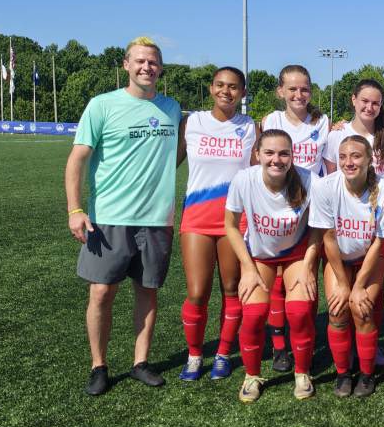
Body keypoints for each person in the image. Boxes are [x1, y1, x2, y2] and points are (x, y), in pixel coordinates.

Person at [65, 37, 181, 396]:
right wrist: (75, 209)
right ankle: (98, 366)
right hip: (109, 219)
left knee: (148, 291)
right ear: (126, 65)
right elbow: (77, 160)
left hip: (156, 219)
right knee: (101, 293)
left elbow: (176, 153)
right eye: (141, 61)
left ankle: (140, 362)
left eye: (154, 62)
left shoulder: (173, 108)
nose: (147, 67)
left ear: (160, 69)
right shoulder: (102, 105)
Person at [224, 130, 320, 403]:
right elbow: (230, 226)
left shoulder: (309, 180)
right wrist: (248, 268)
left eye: (283, 153)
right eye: (269, 153)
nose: (276, 159)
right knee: (254, 314)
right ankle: (251, 376)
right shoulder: (244, 179)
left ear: (292, 156)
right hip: (259, 255)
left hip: (296, 253)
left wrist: (307, 266)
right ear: (257, 154)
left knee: (299, 312)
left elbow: (317, 227)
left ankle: (302, 373)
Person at [176, 66, 258, 382]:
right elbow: (167, 163)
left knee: (231, 289)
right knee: (197, 292)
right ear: (211, 88)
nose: (226, 91)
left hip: (235, 222)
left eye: (234, 87)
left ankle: (223, 353)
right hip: (196, 218)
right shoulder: (192, 123)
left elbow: (258, 171)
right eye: (220, 85)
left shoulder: (250, 126)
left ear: (243, 93)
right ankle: (195, 355)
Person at [310, 135, 384, 398]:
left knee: (363, 310)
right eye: (343, 156)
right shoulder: (326, 187)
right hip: (338, 259)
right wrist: (344, 284)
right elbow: (328, 238)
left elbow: (380, 243)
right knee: (337, 311)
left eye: (356, 156)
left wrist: (358, 286)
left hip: (370, 257)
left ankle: (367, 375)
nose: (349, 162)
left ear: (370, 160)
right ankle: (343, 374)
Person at [261, 64, 331, 373]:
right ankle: (279, 346)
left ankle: (305, 337)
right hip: (275, 210)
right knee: (277, 280)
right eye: (292, 89)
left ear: (311, 91)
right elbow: (260, 163)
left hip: (309, 212)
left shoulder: (323, 122)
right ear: (280, 92)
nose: (298, 94)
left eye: (304, 89)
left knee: (307, 276)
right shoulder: (271, 121)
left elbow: (327, 167)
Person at [324, 78, 384, 182]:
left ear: (380, 105)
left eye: (375, 103)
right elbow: (330, 177)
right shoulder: (336, 135)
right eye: (365, 101)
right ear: (354, 100)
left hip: (380, 198)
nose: (369, 108)